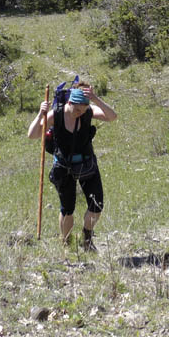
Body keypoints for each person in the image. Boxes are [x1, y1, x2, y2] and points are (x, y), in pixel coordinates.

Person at [28, 82, 117, 250]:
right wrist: (41, 114)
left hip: (86, 164)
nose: (80, 114)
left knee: (97, 205)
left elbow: (112, 116)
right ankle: (66, 242)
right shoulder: (57, 115)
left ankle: (87, 238)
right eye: (77, 110)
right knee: (67, 209)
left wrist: (95, 99)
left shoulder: (87, 111)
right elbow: (32, 135)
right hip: (63, 167)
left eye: (83, 110)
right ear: (70, 103)